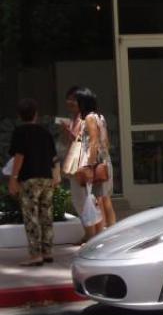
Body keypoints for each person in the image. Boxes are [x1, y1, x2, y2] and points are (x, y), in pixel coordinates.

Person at [8, 98, 59, 266]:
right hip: (46, 177)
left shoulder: (20, 132)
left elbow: (19, 156)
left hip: (29, 178)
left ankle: (35, 254)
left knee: (31, 216)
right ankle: (48, 252)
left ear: (20, 116)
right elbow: (54, 157)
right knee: (46, 215)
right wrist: (56, 176)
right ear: (36, 114)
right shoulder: (45, 132)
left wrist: (13, 179)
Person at [75, 87, 116, 233]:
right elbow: (106, 142)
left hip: (96, 163)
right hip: (105, 161)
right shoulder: (100, 117)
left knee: (98, 199)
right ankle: (111, 233)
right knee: (105, 199)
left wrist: (89, 164)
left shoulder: (89, 118)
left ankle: (101, 236)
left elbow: (93, 141)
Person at [60, 86, 95, 243]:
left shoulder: (85, 118)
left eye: (74, 99)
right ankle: (89, 232)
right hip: (76, 164)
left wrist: (69, 131)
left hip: (83, 164)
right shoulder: (74, 118)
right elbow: (69, 142)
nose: (70, 102)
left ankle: (91, 234)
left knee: (83, 199)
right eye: (69, 98)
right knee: (79, 199)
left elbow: (83, 140)